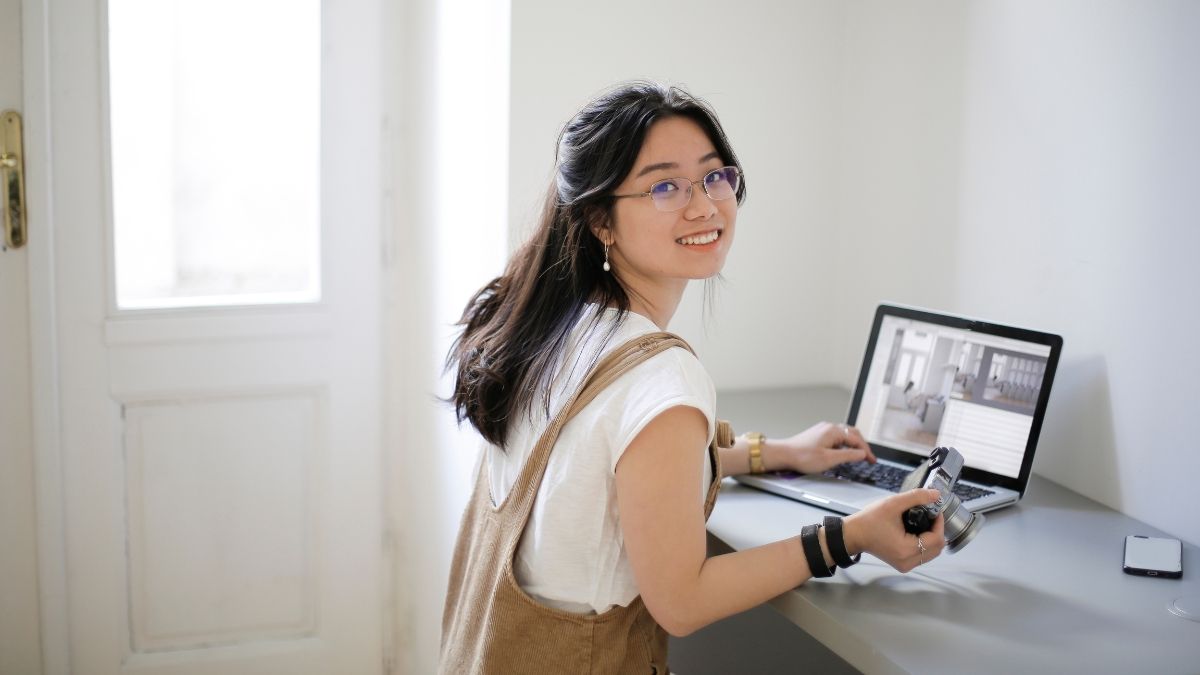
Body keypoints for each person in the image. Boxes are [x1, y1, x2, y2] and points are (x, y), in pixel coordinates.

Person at [441, 81, 945, 674]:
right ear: (601, 219)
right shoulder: (661, 376)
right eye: (664, 186)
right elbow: (682, 601)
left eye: (714, 176)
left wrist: (772, 453)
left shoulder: (558, 328)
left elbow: (608, 470)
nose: (705, 205)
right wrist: (850, 537)